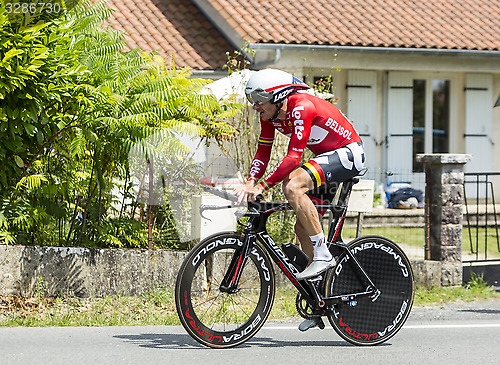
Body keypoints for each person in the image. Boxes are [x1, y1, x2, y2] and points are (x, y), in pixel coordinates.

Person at [233, 68, 366, 331]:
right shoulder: (269, 117)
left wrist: (264, 185)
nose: (255, 106)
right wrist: (251, 181)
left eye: (259, 100)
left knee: (292, 186)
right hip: (325, 159)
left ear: (278, 95)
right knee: (301, 226)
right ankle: (318, 298)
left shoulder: (301, 106)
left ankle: (323, 254)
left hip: (348, 153)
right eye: (252, 101)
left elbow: (294, 158)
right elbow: (263, 151)